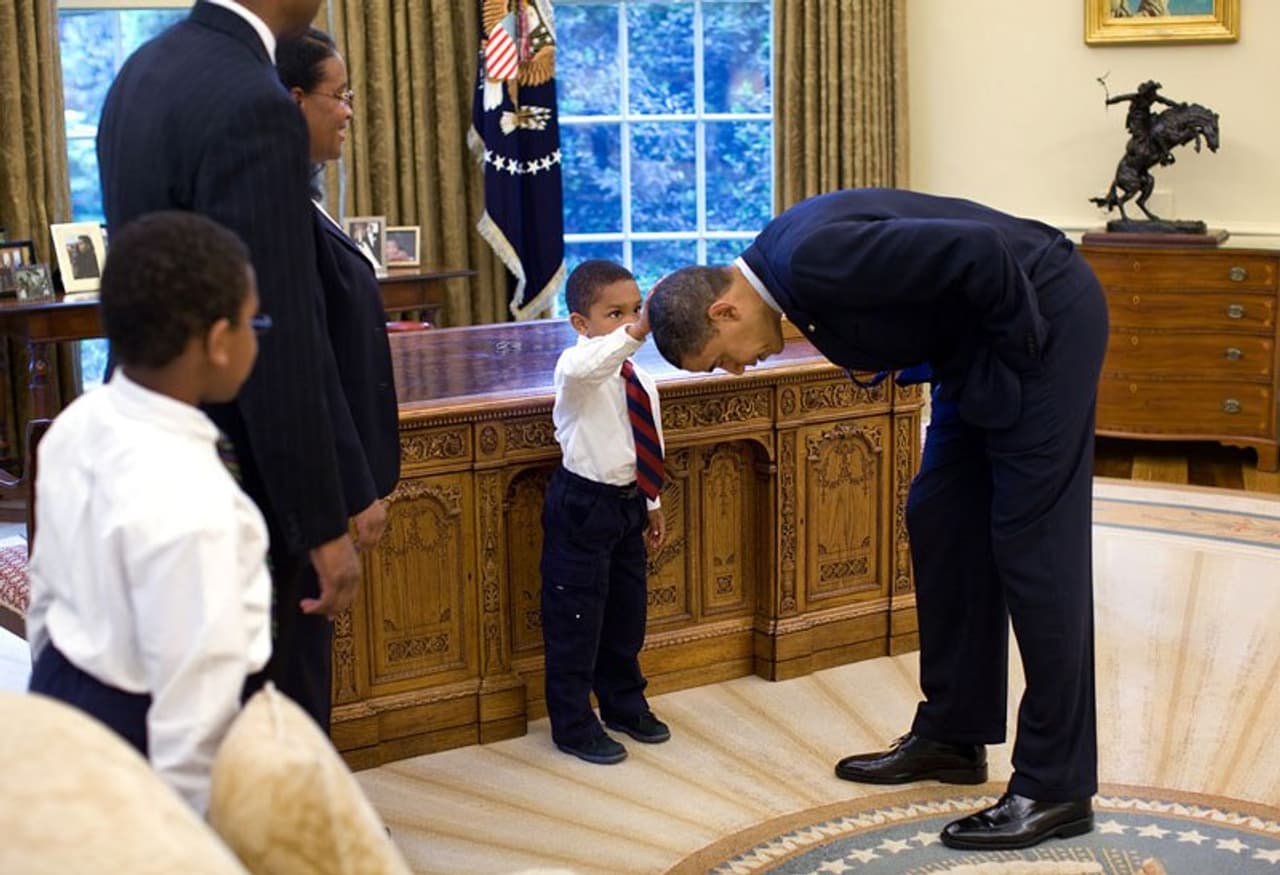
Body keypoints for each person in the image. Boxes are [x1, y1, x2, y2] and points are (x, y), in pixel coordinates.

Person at [646, 188, 1108, 850]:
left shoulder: (809, 258)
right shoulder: (787, 270)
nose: (736, 367)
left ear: (725, 308)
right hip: (981, 344)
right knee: (941, 516)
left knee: (1036, 550)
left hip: (1040, 321)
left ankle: (1057, 785)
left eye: (721, 355)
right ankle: (953, 734)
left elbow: (984, 252)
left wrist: (1021, 363)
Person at [96, 0, 362, 729]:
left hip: (148, 445)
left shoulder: (141, 72)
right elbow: (277, 330)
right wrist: (320, 522)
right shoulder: (253, 101)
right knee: (270, 723)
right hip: (239, 477)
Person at [26, 210, 271, 814]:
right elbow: (195, 706)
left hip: (61, 688)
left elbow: (45, 596)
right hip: (142, 733)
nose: (256, 337)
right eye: (252, 322)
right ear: (218, 343)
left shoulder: (77, 424)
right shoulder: (198, 501)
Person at [277, 29, 398, 649]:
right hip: (316, 489)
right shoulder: (279, 210)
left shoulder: (306, 194)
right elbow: (309, 366)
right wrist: (352, 488)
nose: (350, 110)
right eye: (339, 94)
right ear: (294, 100)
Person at [541, 259, 671, 765]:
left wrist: (652, 502)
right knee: (576, 617)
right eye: (613, 313)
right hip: (582, 505)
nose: (628, 321)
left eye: (635, 310)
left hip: (627, 505)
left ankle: (623, 703)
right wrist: (637, 331)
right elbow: (588, 365)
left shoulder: (638, 376)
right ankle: (573, 724)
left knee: (625, 614)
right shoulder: (575, 371)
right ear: (581, 324)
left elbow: (647, 438)